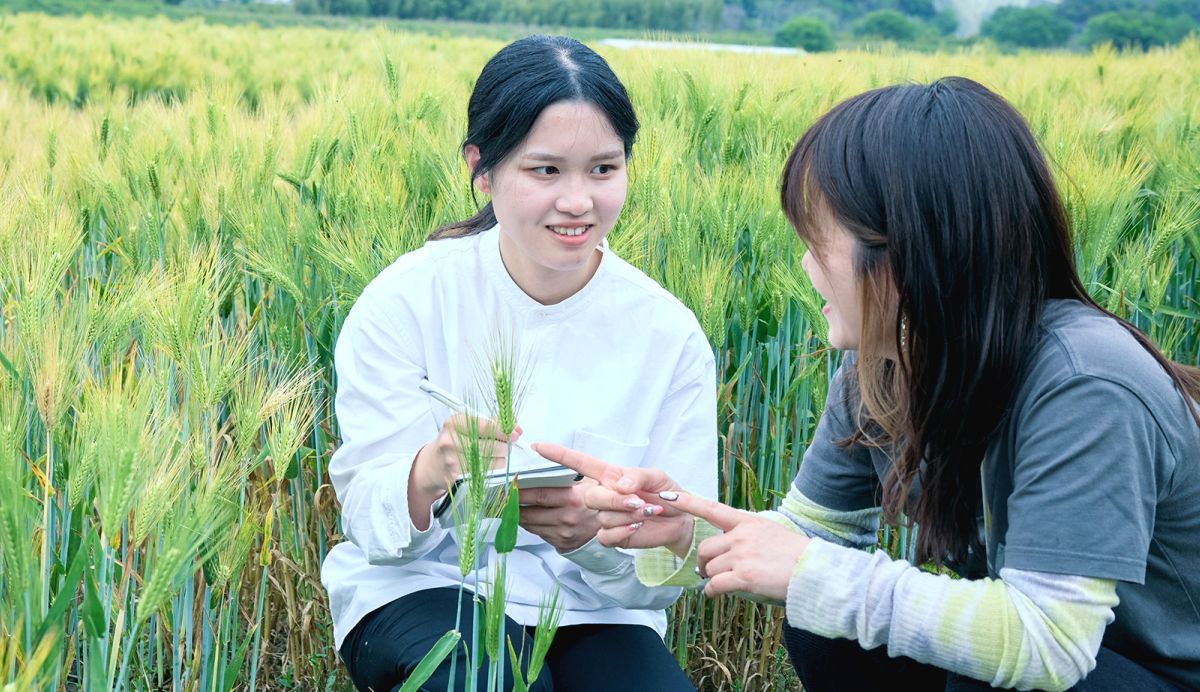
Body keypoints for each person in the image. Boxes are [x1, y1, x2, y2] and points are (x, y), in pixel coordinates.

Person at [535, 77, 1200, 691]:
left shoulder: (1085, 382)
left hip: (1158, 673)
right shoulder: (882, 368)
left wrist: (808, 572)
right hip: (1075, 667)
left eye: (818, 240)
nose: (803, 264)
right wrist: (681, 530)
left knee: (990, 671)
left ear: (906, 250)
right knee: (822, 619)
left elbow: (1047, 642)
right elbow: (807, 540)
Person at [320, 35, 716, 691]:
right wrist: (430, 474)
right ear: (482, 167)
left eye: (603, 169)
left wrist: (589, 538)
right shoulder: (406, 300)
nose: (578, 201)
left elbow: (679, 568)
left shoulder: (669, 334)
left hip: (597, 608)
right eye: (545, 170)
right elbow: (368, 525)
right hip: (425, 586)